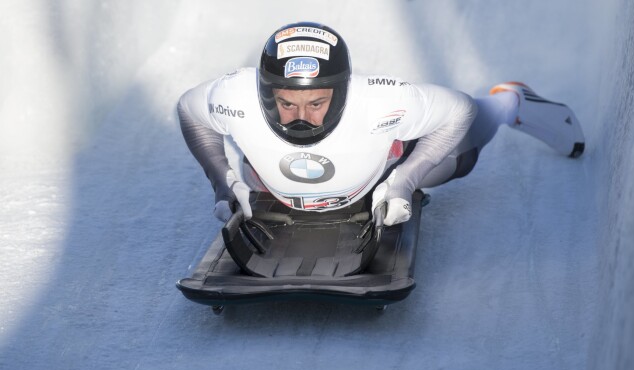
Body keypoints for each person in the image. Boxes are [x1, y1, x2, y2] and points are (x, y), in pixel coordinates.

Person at [177, 21, 584, 226]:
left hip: (379, 169)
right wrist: (221, 178)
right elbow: (189, 110)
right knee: (250, 171)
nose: (301, 117)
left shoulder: (381, 99)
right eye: (286, 102)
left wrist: (405, 179)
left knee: (460, 154)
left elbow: (459, 111)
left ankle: (509, 102)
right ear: (266, 93)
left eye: (316, 102)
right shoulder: (235, 94)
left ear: (342, 90)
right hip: (272, 176)